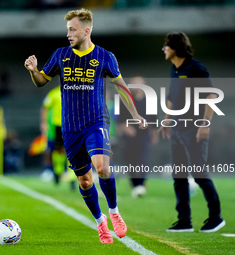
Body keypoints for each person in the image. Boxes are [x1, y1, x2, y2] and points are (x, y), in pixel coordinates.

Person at [24, 8, 147, 243]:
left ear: (86, 31)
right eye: (67, 29)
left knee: (101, 167)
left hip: (96, 121)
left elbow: (121, 87)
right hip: (70, 128)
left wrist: (136, 114)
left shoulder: (104, 56)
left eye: (73, 29)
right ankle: (101, 222)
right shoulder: (60, 55)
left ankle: (114, 212)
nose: (68, 34)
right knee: (85, 181)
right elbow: (41, 82)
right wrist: (33, 71)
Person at [160, 32, 225, 232]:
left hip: (193, 129)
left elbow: (211, 95)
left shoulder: (195, 68)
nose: (163, 48)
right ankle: (184, 221)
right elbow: (172, 96)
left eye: (166, 45)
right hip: (177, 129)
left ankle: (216, 217)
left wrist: (205, 125)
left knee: (199, 174)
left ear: (175, 48)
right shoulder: (175, 68)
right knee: (178, 176)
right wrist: (167, 120)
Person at [117, 76, 158, 198]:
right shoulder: (125, 100)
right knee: (131, 160)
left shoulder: (149, 100)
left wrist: (154, 134)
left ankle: (140, 184)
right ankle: (135, 183)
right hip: (130, 136)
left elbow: (153, 119)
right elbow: (119, 120)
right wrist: (125, 128)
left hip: (143, 135)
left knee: (142, 159)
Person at [40, 85, 76, 189]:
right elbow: (45, 108)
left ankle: (71, 176)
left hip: (72, 125)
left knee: (71, 150)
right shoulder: (54, 93)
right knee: (58, 149)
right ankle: (58, 170)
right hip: (57, 125)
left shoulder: (75, 92)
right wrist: (43, 122)